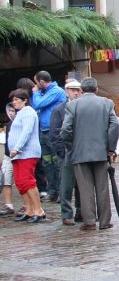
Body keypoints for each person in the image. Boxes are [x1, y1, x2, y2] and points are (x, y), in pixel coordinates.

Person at [61, 78, 119, 231]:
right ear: (97, 89)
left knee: (85, 188)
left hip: (79, 152)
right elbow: (114, 125)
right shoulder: (107, 103)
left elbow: (65, 130)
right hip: (101, 151)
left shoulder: (72, 105)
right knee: (102, 187)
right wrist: (110, 148)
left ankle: (90, 221)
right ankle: (105, 221)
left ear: (81, 90)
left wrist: (72, 146)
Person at [50, 80, 83, 225]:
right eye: (73, 90)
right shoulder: (59, 109)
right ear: (66, 91)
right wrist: (61, 151)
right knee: (66, 185)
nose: (76, 93)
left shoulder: (83, 107)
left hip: (81, 150)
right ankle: (67, 213)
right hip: (66, 151)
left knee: (82, 184)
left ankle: (82, 211)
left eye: (78, 90)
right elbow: (55, 132)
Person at [8, 89, 44, 222]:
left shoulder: (28, 112)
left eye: (17, 99)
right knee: (20, 182)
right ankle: (29, 209)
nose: (14, 102)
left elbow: (27, 132)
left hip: (26, 153)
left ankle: (38, 210)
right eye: (13, 100)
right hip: (17, 155)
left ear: (25, 100)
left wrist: (17, 148)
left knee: (28, 181)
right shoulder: (20, 113)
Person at [32, 71, 66, 201]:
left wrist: (35, 93)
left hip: (54, 133)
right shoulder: (43, 93)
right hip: (43, 132)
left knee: (57, 163)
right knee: (47, 163)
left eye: (36, 83)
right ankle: (52, 191)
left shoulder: (56, 91)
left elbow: (38, 104)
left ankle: (61, 192)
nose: (35, 86)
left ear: (41, 82)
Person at [0, 103, 16, 216]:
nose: (11, 113)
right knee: (6, 179)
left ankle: (27, 205)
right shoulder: (7, 125)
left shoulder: (21, 123)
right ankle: (8, 205)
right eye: (9, 110)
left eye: (13, 111)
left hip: (19, 155)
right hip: (7, 155)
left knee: (22, 182)